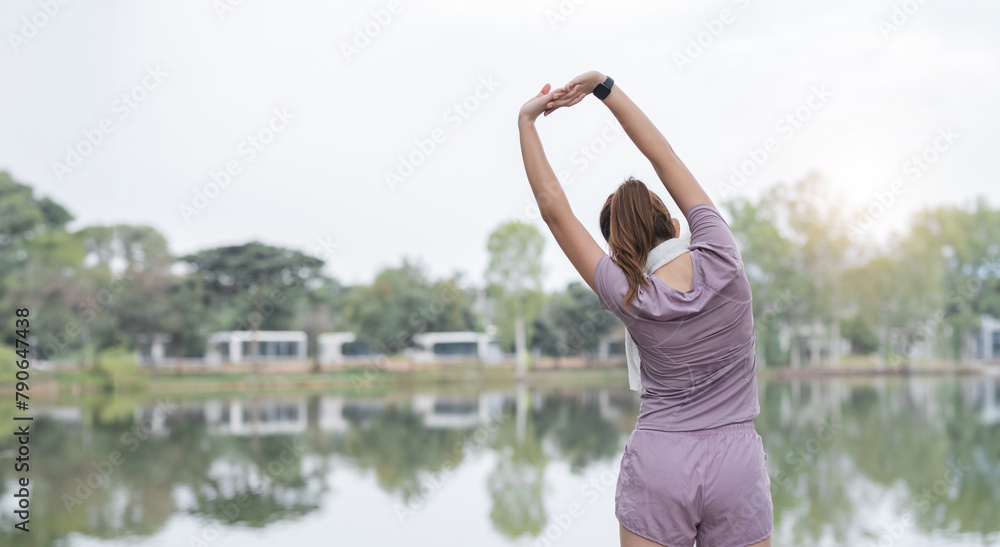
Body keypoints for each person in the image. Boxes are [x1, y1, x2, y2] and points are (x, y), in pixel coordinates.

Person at [517, 71, 773, 547]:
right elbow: (663, 157)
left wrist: (527, 120)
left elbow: (555, 210)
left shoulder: (628, 294)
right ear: (676, 224)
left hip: (661, 461)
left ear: (616, 251)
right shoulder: (723, 256)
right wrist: (602, 86)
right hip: (737, 463)